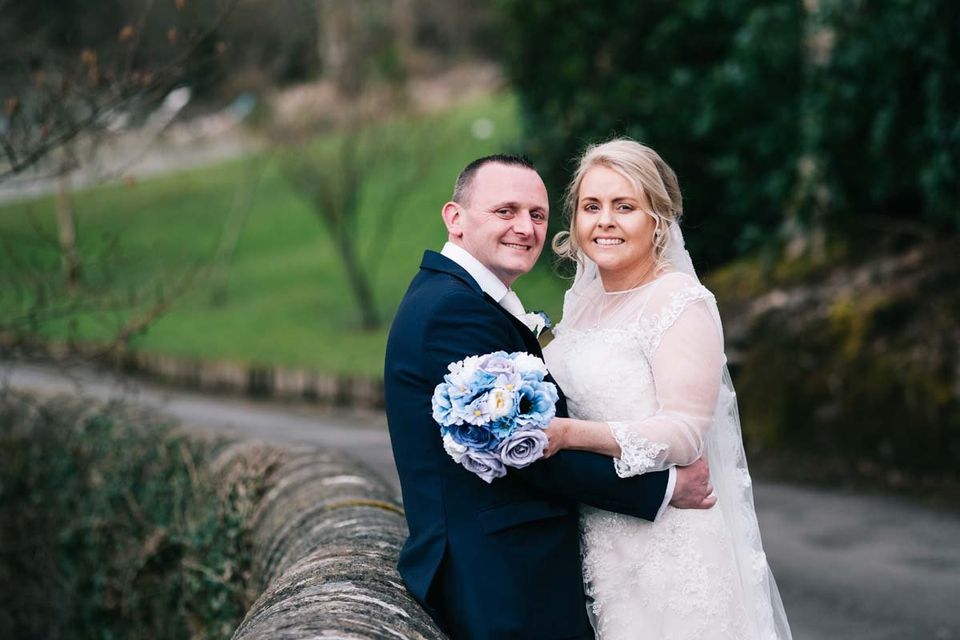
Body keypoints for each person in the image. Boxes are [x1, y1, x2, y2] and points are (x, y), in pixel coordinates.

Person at [384, 154, 715, 640]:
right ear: (455, 218)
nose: (525, 227)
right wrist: (663, 489)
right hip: (499, 577)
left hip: (550, 565)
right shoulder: (453, 312)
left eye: (537, 215)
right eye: (506, 211)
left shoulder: (462, 299)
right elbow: (522, 451)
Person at [541, 138, 792, 639]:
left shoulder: (679, 301)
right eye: (591, 207)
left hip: (668, 544)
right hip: (601, 535)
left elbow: (683, 434)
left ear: (658, 219)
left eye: (625, 206)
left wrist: (569, 434)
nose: (605, 221)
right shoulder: (583, 305)